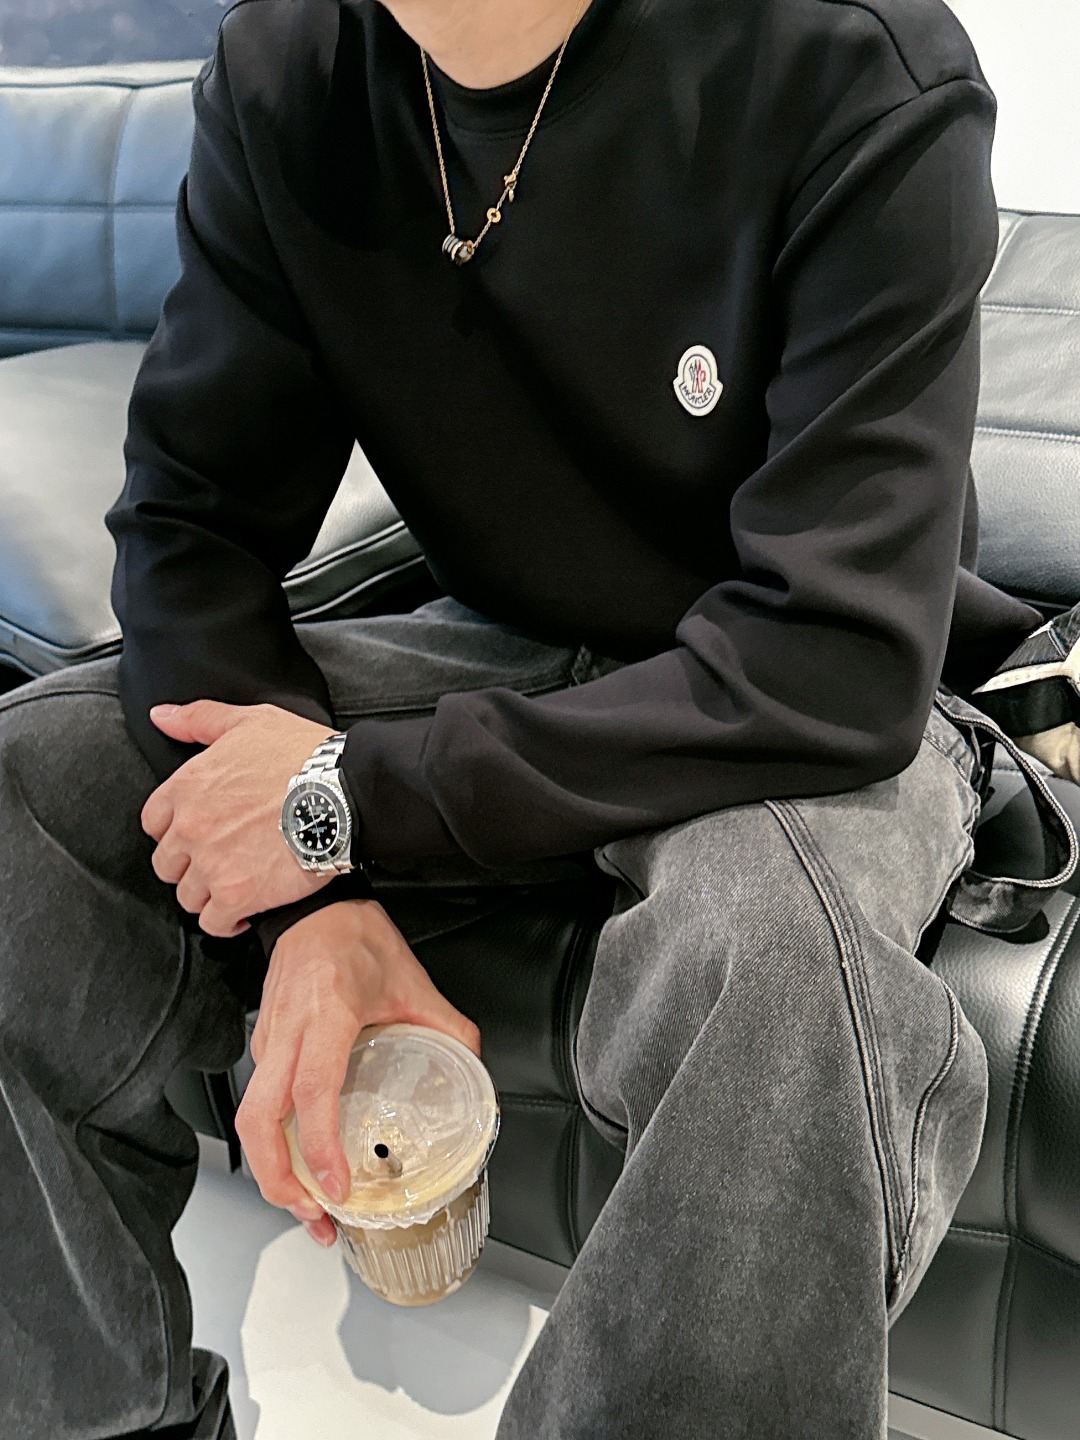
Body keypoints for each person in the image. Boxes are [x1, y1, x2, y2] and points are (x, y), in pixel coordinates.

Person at [1, 0, 1075, 1435]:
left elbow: (833, 662)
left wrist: (343, 802)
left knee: (776, 964)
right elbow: (192, 528)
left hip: (788, 697)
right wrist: (310, 908)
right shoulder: (288, 72)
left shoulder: (853, 67)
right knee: (28, 791)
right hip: (503, 646)